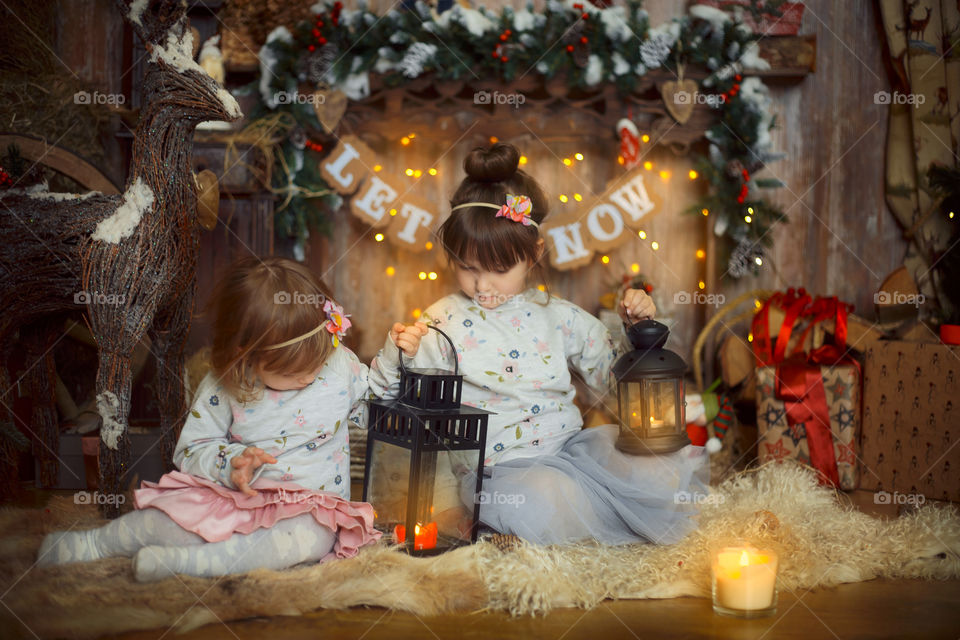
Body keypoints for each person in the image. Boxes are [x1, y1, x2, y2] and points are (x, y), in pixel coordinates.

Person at [369, 143, 708, 546]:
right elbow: (390, 395)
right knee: (536, 498)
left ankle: (585, 514)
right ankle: (529, 527)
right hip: (501, 470)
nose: (482, 285)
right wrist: (399, 352)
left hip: (572, 453)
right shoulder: (442, 321)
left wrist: (638, 331)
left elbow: (615, 384)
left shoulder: (558, 316)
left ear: (534, 254)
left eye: (499, 270)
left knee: (656, 468)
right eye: (467, 268)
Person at [38, 256, 380, 580]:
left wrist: (396, 357)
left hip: (308, 508)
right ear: (246, 356)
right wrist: (231, 463)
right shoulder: (225, 384)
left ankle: (190, 565)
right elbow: (190, 450)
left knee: (307, 540)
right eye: (292, 371)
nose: (309, 376)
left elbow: (376, 405)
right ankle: (95, 544)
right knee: (167, 519)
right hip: (233, 497)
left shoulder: (339, 365)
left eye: (317, 361)